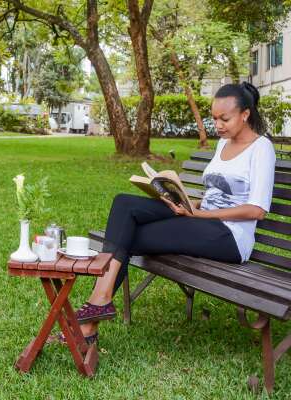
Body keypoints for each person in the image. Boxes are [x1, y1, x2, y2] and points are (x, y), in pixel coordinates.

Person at [76, 82, 276, 344]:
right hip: (202, 220)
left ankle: (89, 321)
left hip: (231, 237)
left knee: (126, 236)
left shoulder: (261, 148)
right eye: (214, 118)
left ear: (245, 114)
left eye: (224, 119)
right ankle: (99, 303)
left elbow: (257, 210)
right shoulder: (222, 146)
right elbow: (214, 196)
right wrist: (181, 199)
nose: (218, 125)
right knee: (125, 204)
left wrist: (197, 216)